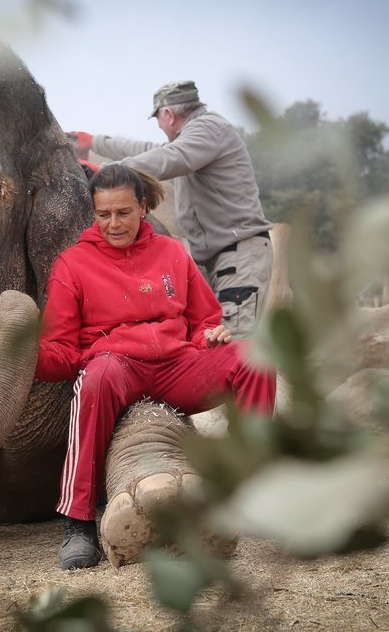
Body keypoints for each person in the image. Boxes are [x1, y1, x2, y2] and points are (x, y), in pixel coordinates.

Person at [35, 164, 276, 570]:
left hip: (176, 367)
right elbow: (61, 348)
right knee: (94, 379)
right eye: (104, 214)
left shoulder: (172, 253)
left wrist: (209, 337)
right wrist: (23, 355)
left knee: (256, 359)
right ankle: (78, 523)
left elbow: (204, 320)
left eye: (123, 213)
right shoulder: (73, 265)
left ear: (143, 207)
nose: (114, 223)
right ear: (93, 214)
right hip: (116, 368)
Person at [70, 80, 273, 339]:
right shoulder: (198, 135)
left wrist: (109, 175)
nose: (159, 126)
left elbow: (171, 157)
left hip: (239, 255)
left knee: (235, 344)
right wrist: (96, 142)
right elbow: (149, 150)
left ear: (168, 114)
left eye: (157, 119)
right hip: (225, 256)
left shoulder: (209, 128)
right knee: (217, 343)